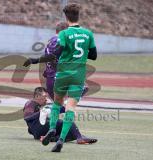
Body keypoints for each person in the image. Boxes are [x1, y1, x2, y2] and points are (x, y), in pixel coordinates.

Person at [41, 3, 98, 152]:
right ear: (78, 16)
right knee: (70, 107)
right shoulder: (88, 34)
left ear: (66, 18)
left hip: (63, 74)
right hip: (78, 75)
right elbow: (94, 56)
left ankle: (52, 128)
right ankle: (61, 140)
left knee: (57, 103)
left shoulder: (64, 34)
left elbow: (57, 53)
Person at [23, 21, 95, 100]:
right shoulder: (60, 40)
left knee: (59, 105)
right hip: (57, 76)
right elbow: (52, 57)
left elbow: (50, 56)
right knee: (77, 92)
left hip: (52, 76)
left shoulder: (52, 40)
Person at [23, 87, 97, 144]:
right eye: (44, 96)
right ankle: (80, 138)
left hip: (40, 131)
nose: (46, 99)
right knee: (67, 122)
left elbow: (57, 110)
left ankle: (51, 138)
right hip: (39, 128)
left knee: (70, 133)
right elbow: (27, 118)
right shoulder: (30, 103)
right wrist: (41, 112)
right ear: (36, 96)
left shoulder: (40, 106)